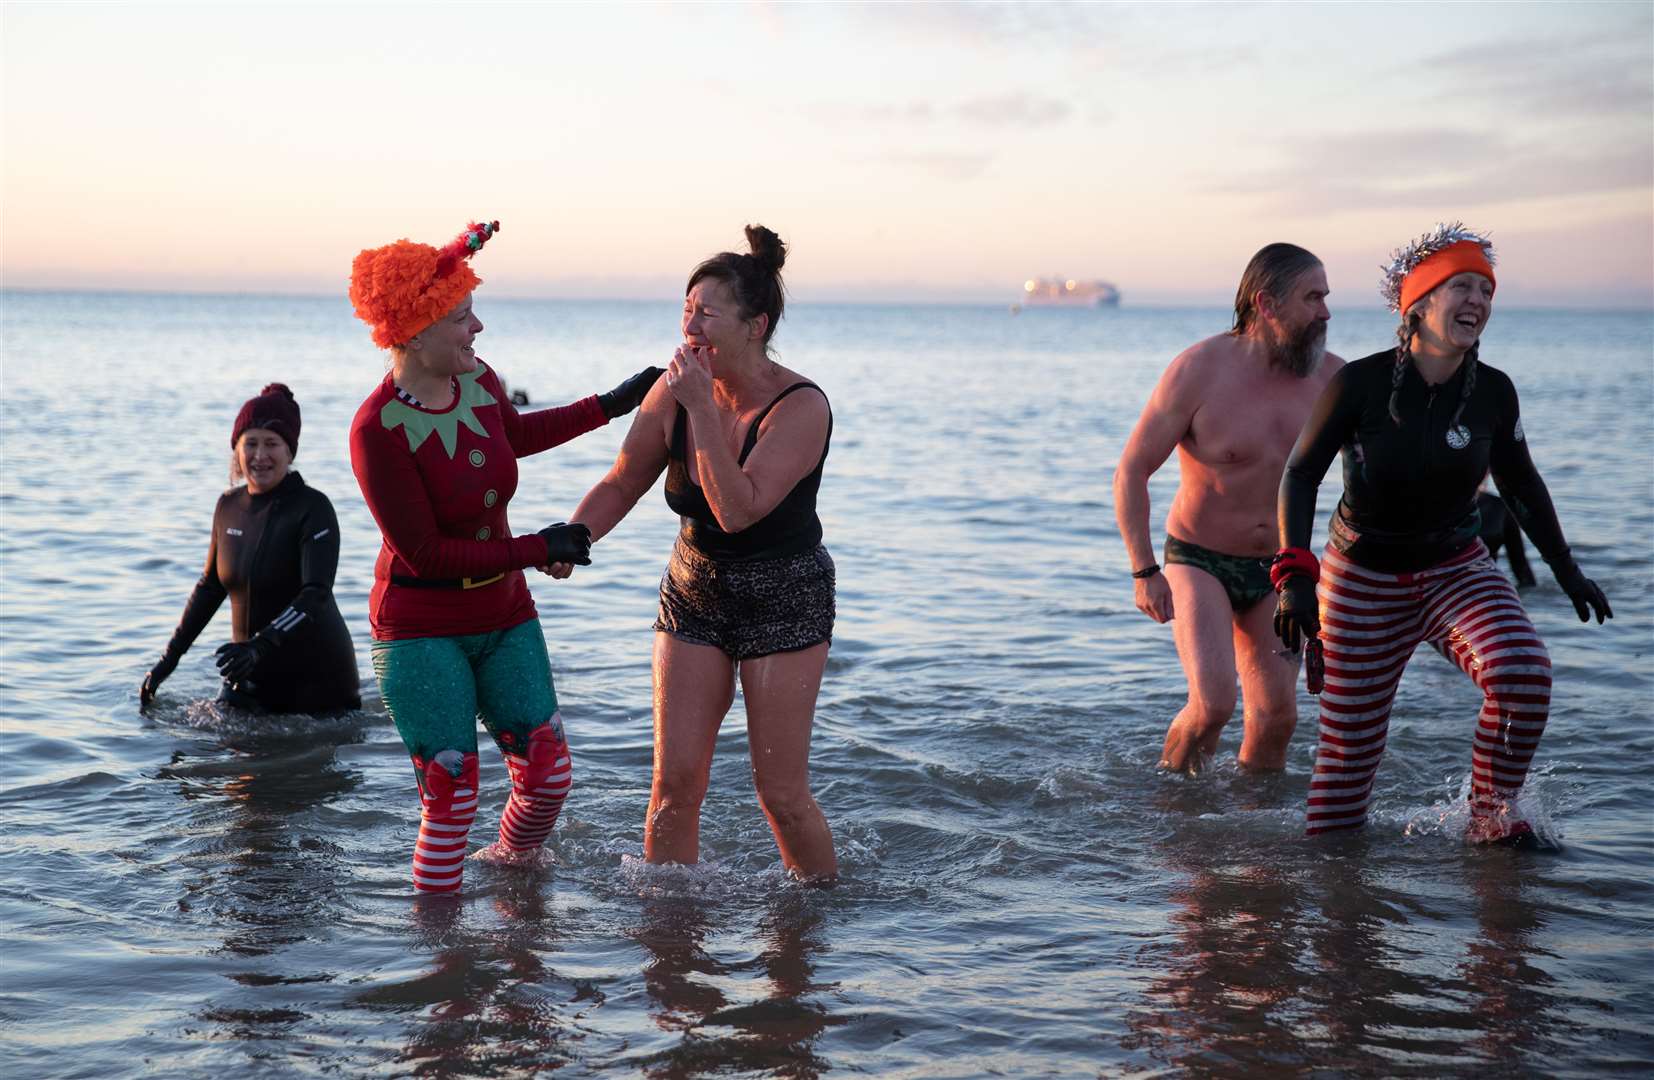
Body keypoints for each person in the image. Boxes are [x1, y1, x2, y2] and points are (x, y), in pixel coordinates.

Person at [347, 219, 661, 893]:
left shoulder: (480, 381)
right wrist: (536, 547)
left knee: (548, 778)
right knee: (452, 795)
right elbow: (426, 554)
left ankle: (514, 888)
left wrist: (612, 403)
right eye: (462, 318)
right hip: (420, 630)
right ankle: (443, 962)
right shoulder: (376, 431)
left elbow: (516, 434)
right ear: (417, 331)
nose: (478, 328)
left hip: (503, 613)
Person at [1273, 223, 1612, 844]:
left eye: (1486, 290)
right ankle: (1337, 913)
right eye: (1462, 286)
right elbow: (1299, 475)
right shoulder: (1360, 385)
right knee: (1343, 779)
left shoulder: (1494, 393)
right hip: (1361, 581)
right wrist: (1295, 577)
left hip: (1458, 569)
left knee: (1523, 673)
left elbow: (1522, 486)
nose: (1478, 301)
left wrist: (1567, 570)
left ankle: (1490, 819)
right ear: (1420, 302)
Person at [560, 225, 838, 881]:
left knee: (782, 798)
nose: (691, 324)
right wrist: (574, 538)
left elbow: (738, 510)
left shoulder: (801, 407)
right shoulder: (676, 390)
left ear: (755, 325)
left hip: (785, 598)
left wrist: (702, 410)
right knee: (673, 790)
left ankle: (815, 924)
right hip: (695, 591)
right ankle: (669, 944)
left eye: (707, 312)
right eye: (686, 310)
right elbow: (624, 478)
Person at [1112, 243, 1343, 773]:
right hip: (1201, 560)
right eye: (1313, 298)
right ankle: (1174, 817)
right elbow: (1131, 472)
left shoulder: (1332, 380)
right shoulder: (1198, 370)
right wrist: (1144, 570)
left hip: (1283, 571)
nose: (1326, 312)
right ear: (1266, 304)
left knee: (1277, 717)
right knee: (1213, 705)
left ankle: (1255, 841)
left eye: (1326, 297)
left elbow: (1379, 474)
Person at [140, 383, 361, 714]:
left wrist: (260, 645)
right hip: (248, 675)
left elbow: (316, 594)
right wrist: (168, 661)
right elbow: (210, 587)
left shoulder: (312, 508)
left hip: (318, 685)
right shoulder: (228, 505)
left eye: (272, 444)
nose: (260, 456)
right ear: (237, 451)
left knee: (297, 760)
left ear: (289, 451)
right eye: (250, 443)